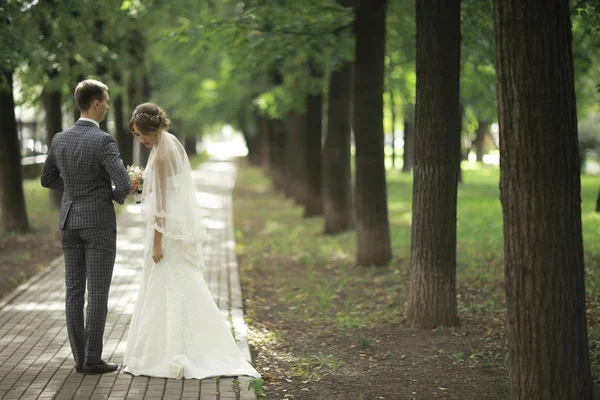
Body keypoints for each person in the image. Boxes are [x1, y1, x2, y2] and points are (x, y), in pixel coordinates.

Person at [122, 102, 260, 380]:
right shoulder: (169, 143)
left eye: (141, 135)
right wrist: (143, 183)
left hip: (166, 230)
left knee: (167, 282)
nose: (141, 140)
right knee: (177, 283)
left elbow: (160, 205)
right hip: (176, 226)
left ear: (153, 129)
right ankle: (184, 343)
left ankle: (171, 350)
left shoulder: (161, 155)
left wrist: (157, 243)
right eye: (137, 136)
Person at [41, 79, 132, 374]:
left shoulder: (59, 138)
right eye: (105, 101)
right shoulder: (103, 140)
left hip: (69, 221)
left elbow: (46, 179)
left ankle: (79, 357)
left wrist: (72, 191)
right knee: (97, 293)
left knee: (73, 291)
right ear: (95, 103)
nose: (107, 106)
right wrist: (108, 195)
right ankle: (92, 359)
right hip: (98, 224)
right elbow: (125, 182)